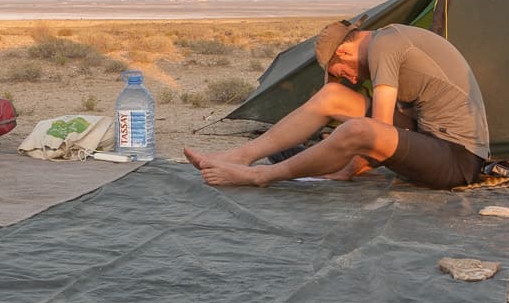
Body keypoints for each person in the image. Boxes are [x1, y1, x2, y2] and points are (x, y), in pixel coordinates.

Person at [183, 18, 489, 188]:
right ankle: (241, 156)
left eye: (336, 72)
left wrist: (346, 169)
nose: (349, 79)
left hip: (456, 159)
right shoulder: (389, 38)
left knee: (359, 131)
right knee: (333, 98)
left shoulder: (386, 46)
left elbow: (377, 130)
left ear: (342, 53)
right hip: (428, 138)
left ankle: (261, 175)